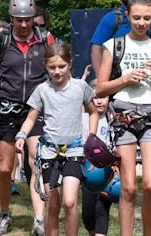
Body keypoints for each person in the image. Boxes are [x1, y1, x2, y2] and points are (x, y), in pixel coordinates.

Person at [0, 0, 57, 236]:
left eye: (28, 19)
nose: (23, 24)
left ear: (34, 17)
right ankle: (4, 213)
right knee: (3, 167)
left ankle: (39, 218)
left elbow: (59, 68)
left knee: (36, 162)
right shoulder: (0, 41)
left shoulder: (45, 39)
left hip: (36, 110)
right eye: (18, 19)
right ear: (11, 17)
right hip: (5, 109)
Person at [95, 0, 151, 236]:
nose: (141, 23)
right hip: (123, 118)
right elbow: (100, 88)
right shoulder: (114, 46)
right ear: (127, 16)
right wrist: (126, 79)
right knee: (128, 188)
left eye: (147, 18)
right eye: (137, 17)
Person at [15, 43, 98, 236]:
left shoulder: (80, 87)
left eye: (61, 66)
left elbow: (93, 112)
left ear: (69, 64)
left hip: (74, 151)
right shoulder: (42, 90)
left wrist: (91, 137)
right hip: (49, 153)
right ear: (45, 66)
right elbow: (31, 118)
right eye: (52, 67)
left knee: (70, 202)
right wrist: (21, 135)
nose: (57, 71)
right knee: (53, 203)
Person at [81, 80, 114, 236]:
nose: (99, 101)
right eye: (95, 97)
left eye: (103, 97)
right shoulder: (83, 118)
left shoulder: (112, 119)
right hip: (88, 171)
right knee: (87, 214)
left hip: (107, 169)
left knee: (102, 207)